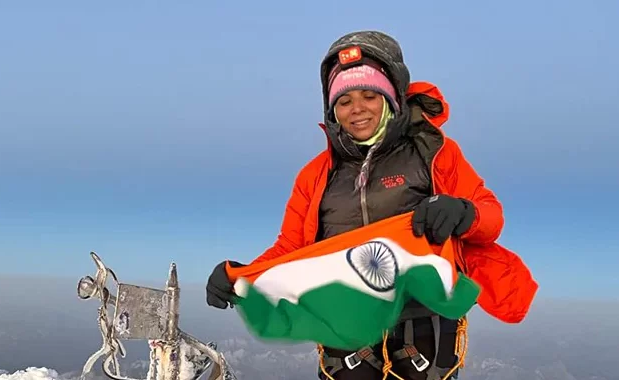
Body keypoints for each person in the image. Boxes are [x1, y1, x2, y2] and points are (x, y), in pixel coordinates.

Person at [206, 30, 537, 380]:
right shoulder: (316, 175)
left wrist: (462, 211)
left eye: (369, 95)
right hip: (348, 318)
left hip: (422, 320)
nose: (357, 109)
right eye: (344, 100)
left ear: (392, 98)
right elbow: (292, 247)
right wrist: (240, 276)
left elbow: (490, 216)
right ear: (332, 108)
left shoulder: (433, 152)